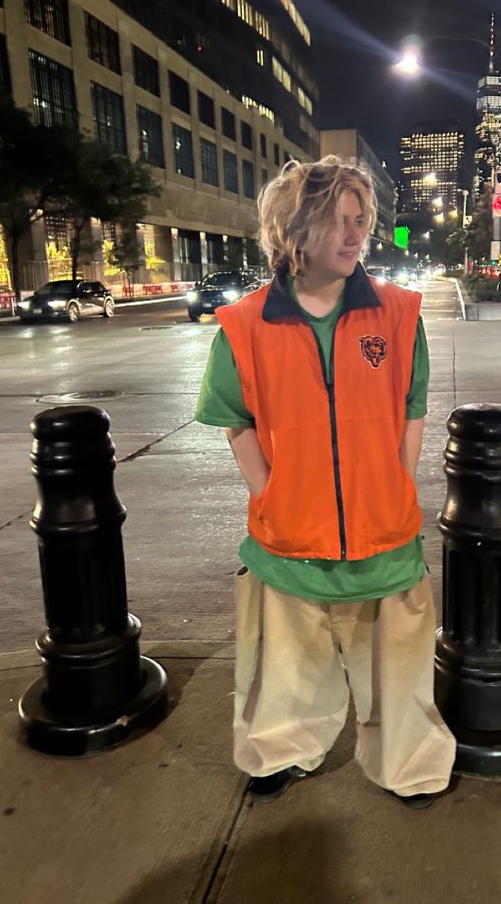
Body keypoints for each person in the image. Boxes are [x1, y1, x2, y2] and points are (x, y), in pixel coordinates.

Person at [195, 155, 455, 809]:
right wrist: (269, 492)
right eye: (337, 220)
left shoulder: (396, 314)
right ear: (292, 229)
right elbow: (235, 421)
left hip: (384, 530)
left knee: (396, 665)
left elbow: (412, 407)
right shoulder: (246, 325)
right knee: (284, 662)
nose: (354, 234)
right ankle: (277, 750)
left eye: (360, 220)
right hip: (289, 535)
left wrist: (397, 480)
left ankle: (409, 762)